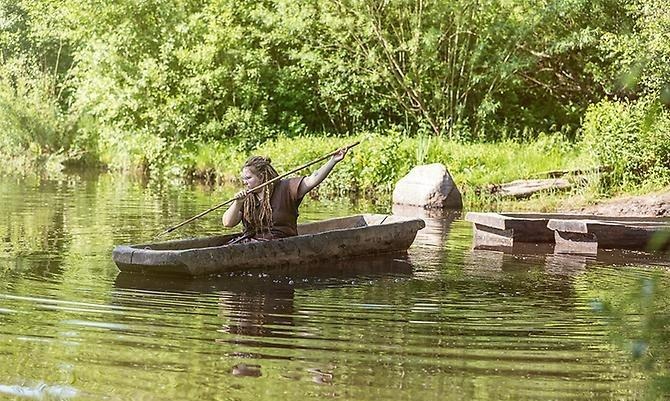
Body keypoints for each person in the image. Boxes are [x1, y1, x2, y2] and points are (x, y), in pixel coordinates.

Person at [222, 148, 348, 243]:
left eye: (248, 178)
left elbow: (312, 180)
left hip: (282, 244)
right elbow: (228, 223)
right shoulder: (246, 197)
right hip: (251, 244)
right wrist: (237, 203)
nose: (244, 182)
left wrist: (333, 160)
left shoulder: (285, 188)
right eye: (243, 178)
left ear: (261, 177)